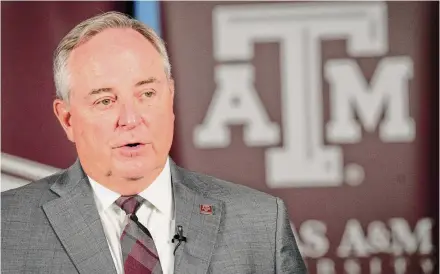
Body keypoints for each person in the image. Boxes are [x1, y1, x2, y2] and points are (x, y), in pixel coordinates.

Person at [1, 11, 307, 274]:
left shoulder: (261, 223)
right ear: (67, 118)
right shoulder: (8, 228)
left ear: (170, 97)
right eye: (106, 100)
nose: (131, 119)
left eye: (147, 94)